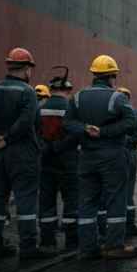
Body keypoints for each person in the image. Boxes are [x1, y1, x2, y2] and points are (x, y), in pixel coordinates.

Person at [65, 54, 137, 260]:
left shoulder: (78, 97)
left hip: (87, 156)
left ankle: (87, 248)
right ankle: (114, 245)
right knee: (116, 198)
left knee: (87, 201)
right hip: (112, 155)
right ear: (112, 76)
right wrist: (105, 132)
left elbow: (68, 123)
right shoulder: (117, 98)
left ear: (94, 74)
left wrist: (85, 128)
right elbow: (131, 121)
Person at [0, 47, 54, 260]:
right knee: (26, 199)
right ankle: (28, 247)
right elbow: (26, 121)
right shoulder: (28, 92)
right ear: (27, 69)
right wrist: (8, 138)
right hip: (23, 152)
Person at [38, 70, 80, 249]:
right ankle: (71, 240)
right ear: (68, 90)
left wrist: (47, 147)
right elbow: (77, 132)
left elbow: (33, 132)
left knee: (46, 200)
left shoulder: (39, 108)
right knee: (71, 199)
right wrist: (60, 146)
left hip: (45, 160)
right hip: (69, 160)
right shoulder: (72, 108)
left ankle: (47, 240)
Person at [118, 87, 137, 238]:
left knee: (110, 191)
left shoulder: (111, 113)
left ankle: (108, 227)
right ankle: (129, 225)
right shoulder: (136, 114)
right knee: (128, 191)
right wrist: (130, 142)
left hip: (113, 152)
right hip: (129, 153)